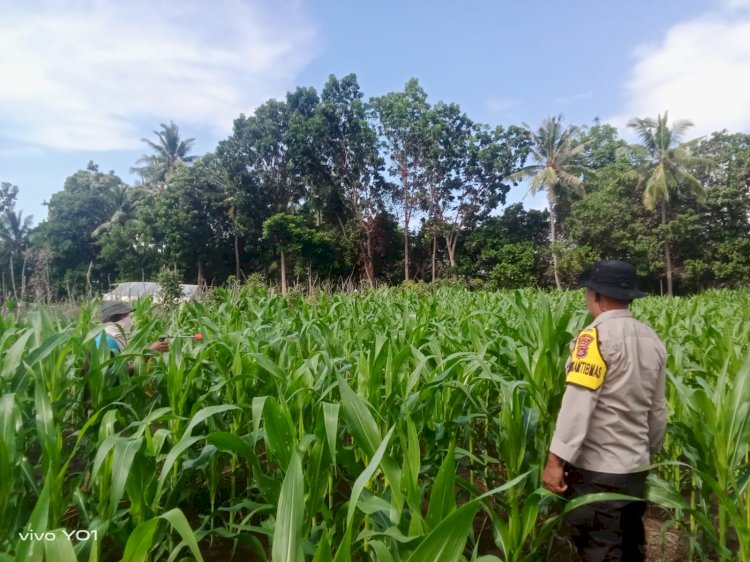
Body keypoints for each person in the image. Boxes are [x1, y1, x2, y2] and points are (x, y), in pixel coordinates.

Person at [542, 259, 667, 561]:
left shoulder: (593, 339)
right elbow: (658, 410)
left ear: (595, 295)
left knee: (600, 548)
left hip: (598, 470)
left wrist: (555, 461)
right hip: (635, 467)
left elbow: (577, 406)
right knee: (631, 546)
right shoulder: (652, 339)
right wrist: (648, 451)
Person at [97, 300, 169, 354]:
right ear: (114, 319)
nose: (129, 318)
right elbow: (117, 371)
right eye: (125, 315)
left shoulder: (115, 336)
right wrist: (149, 352)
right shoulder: (106, 342)